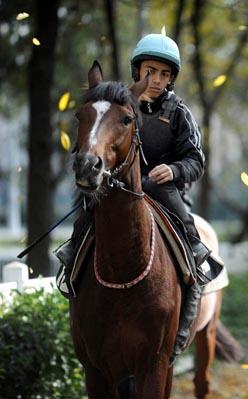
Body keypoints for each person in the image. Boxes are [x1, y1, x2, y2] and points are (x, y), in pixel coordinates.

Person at [55, 33, 215, 362]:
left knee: (159, 190)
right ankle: (74, 251)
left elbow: (196, 159)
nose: (155, 80)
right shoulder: (119, 107)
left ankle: (193, 252)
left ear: (171, 79)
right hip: (116, 187)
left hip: (163, 190)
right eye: (149, 72)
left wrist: (173, 170)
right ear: (137, 71)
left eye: (163, 74)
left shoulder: (179, 113)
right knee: (93, 201)